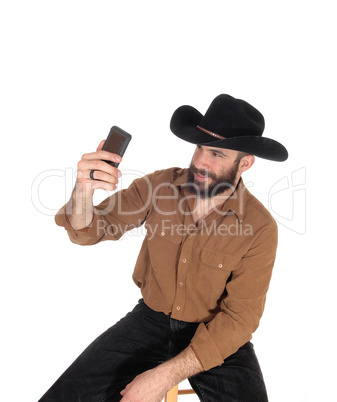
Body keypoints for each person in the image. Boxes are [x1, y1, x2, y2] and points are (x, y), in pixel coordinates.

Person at [39, 94, 288, 402]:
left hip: (215, 333)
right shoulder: (158, 187)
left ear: (245, 163)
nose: (199, 162)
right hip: (149, 320)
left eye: (216, 154)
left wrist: (162, 376)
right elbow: (90, 230)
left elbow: (240, 318)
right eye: (199, 147)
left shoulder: (260, 227)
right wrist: (83, 190)